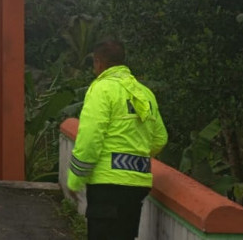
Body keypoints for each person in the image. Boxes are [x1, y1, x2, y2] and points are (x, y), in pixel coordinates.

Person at [67, 40, 168, 240]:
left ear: (98, 63)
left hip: (107, 187)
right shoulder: (145, 93)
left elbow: (90, 140)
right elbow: (160, 138)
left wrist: (75, 180)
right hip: (137, 187)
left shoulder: (101, 89)